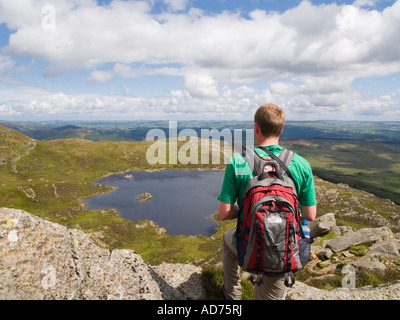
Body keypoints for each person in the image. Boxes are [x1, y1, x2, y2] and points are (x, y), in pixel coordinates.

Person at [217, 103, 317, 300]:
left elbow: (224, 213)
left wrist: (245, 211)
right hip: (283, 249)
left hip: (248, 242)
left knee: (227, 240)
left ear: (256, 127)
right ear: (281, 129)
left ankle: (232, 296)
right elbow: (310, 215)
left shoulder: (238, 162)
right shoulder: (301, 164)